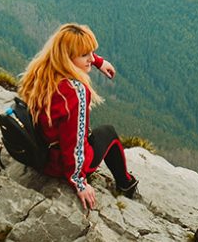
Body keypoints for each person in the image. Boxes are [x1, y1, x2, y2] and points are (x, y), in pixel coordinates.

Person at [18, 23, 138, 211]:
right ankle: (126, 184)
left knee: (95, 133)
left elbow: (69, 50)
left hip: (39, 149)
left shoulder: (41, 71)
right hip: (57, 164)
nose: (91, 58)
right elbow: (73, 143)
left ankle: (125, 183)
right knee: (109, 133)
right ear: (67, 57)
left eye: (91, 52)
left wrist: (97, 61)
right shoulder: (74, 92)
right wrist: (79, 183)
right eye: (85, 55)